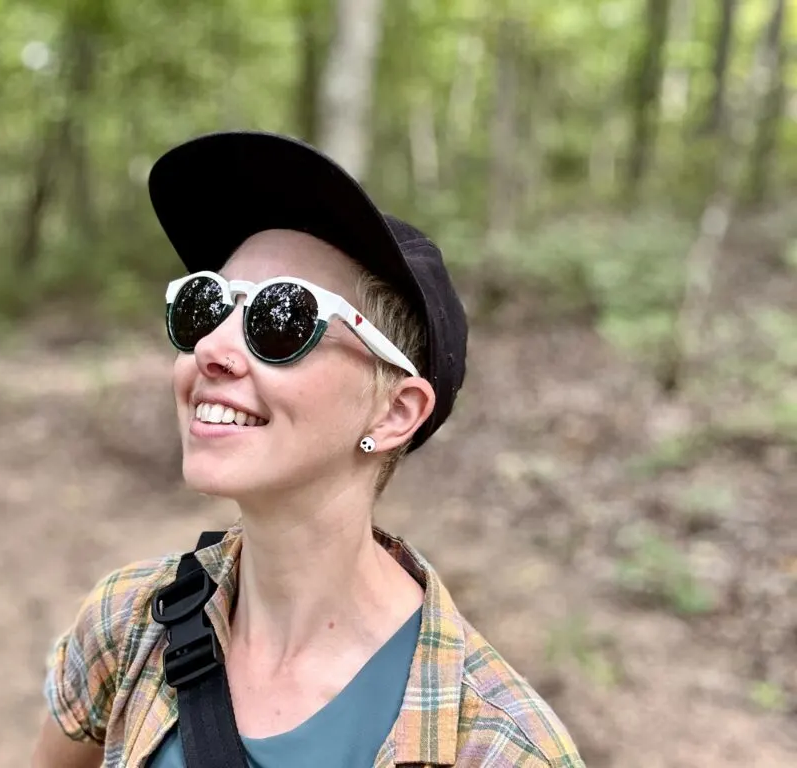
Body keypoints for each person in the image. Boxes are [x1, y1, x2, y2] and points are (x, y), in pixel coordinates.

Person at [31, 131, 585, 768]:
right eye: (204, 305)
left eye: (280, 318)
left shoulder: (500, 747)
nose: (211, 348)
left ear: (396, 411)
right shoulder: (127, 627)